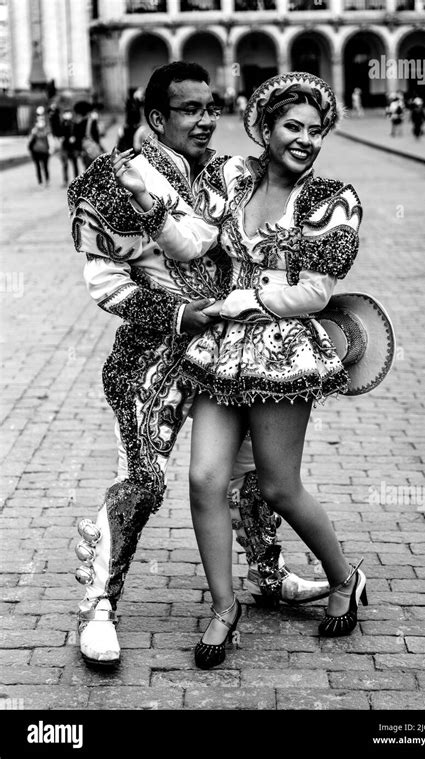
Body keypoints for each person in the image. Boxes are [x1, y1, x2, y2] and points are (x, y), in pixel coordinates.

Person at [68, 62, 328, 667]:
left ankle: (267, 572)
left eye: (211, 108)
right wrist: (182, 315)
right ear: (158, 118)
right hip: (153, 357)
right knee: (144, 478)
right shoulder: (110, 180)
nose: (206, 120)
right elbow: (105, 281)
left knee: (248, 470)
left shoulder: (217, 175)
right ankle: (99, 604)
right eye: (190, 110)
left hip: (226, 353)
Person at [27, 109, 52, 187]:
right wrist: (33, 132)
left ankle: (47, 180)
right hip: (36, 150)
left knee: (45, 166)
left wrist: (51, 148)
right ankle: (40, 181)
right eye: (39, 117)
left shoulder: (47, 128)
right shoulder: (34, 129)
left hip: (45, 150)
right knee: (38, 166)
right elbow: (30, 139)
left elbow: (50, 139)